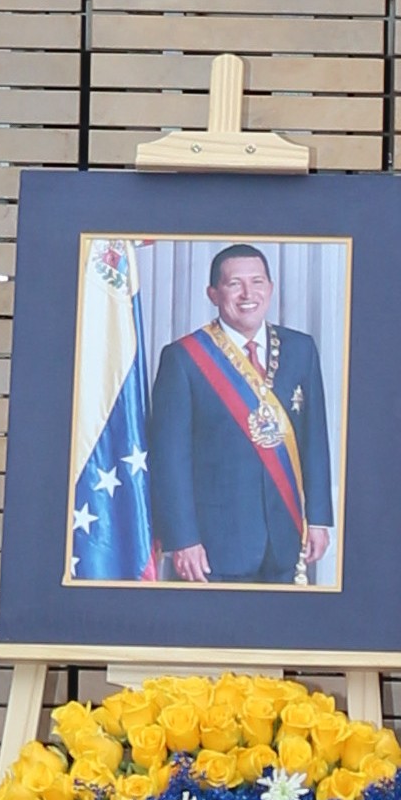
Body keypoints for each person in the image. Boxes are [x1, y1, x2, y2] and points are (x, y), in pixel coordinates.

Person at [145, 242, 334, 583]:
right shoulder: (184, 358)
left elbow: (315, 438)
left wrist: (319, 517)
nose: (248, 293)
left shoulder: (300, 350)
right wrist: (182, 540)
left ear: (271, 288)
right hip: (214, 546)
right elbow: (169, 458)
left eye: (258, 282)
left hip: (285, 535)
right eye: (235, 284)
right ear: (213, 293)